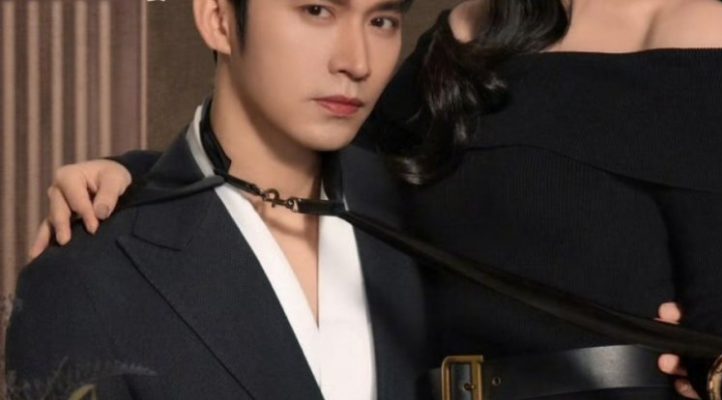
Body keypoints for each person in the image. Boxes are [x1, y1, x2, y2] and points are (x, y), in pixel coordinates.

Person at [26, 0, 722, 399]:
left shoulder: (696, 30)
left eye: (376, 21)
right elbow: (310, 160)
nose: (358, 52)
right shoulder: (462, 37)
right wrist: (142, 177)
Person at [5, 0, 437, 398]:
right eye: (317, 11)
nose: (357, 63)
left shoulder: (420, 214)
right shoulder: (83, 281)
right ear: (219, 19)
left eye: (382, 21)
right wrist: (150, 185)